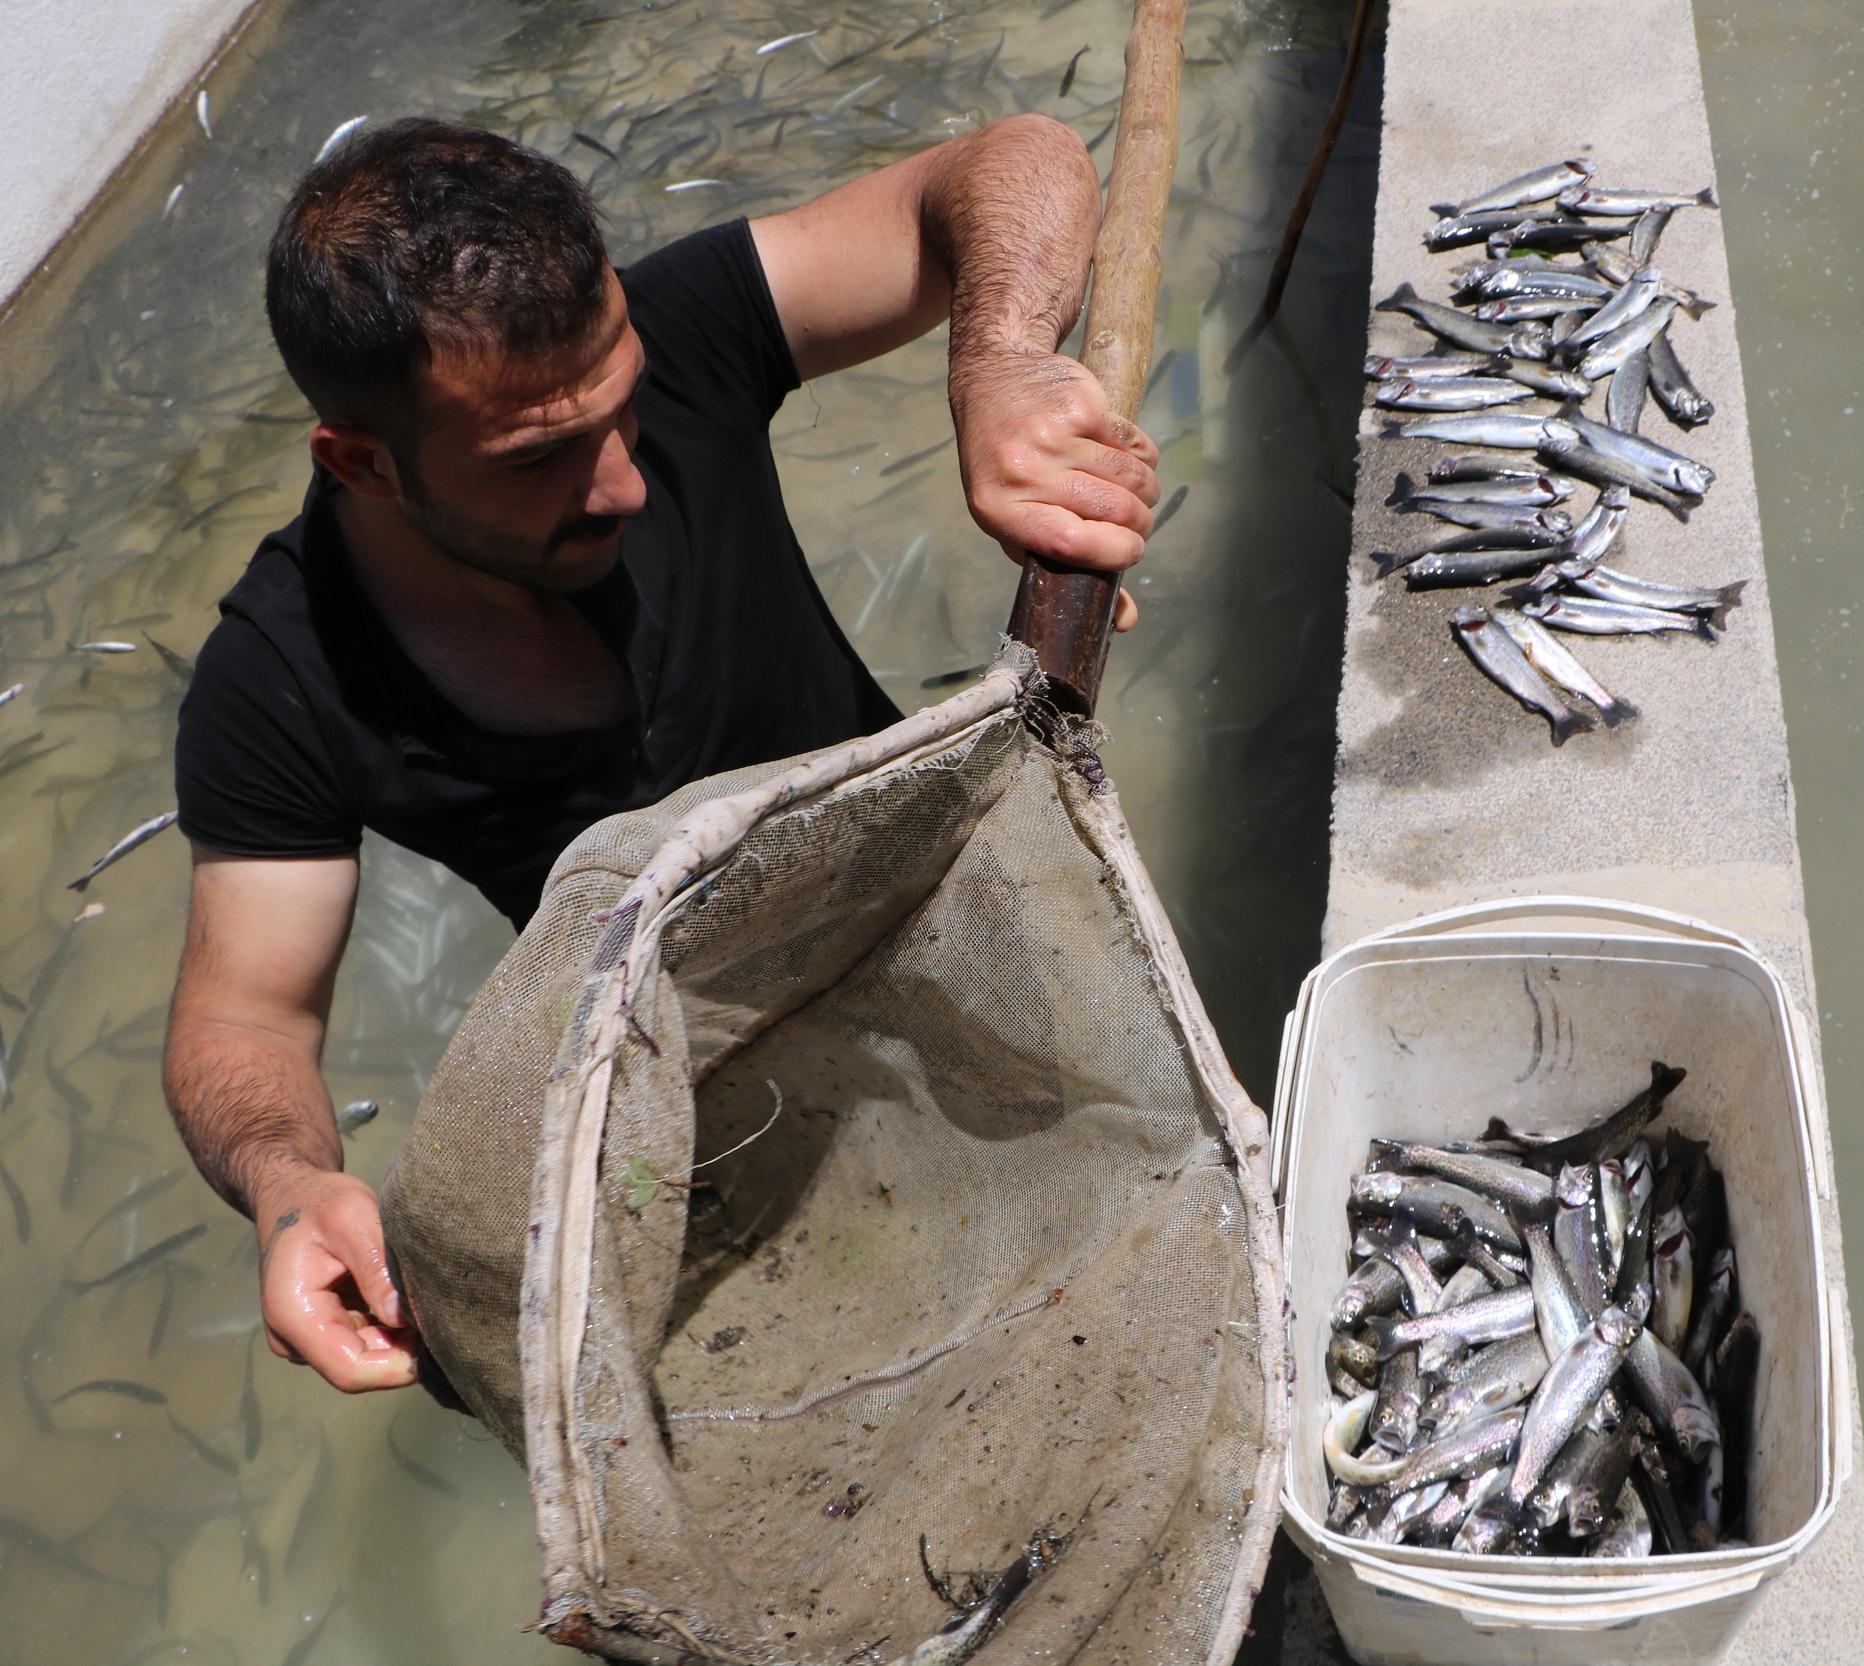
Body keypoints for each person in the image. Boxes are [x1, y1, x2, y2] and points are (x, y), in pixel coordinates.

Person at [162, 115, 1159, 1395]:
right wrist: (290, 1184)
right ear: (363, 463)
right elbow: (243, 1012)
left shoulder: (684, 334)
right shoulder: (281, 680)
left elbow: (1016, 160)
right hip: (701, 1104)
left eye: (622, 407)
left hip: (953, 926)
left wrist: (1003, 366)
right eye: (538, 458)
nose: (624, 482)